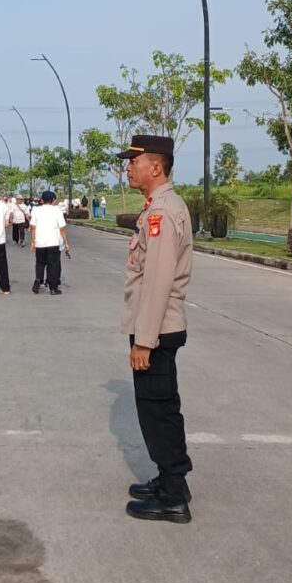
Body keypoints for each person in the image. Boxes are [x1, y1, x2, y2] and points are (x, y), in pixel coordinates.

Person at [117, 135, 194, 525]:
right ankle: (168, 480)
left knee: (158, 410)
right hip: (158, 326)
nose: (128, 168)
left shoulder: (163, 212)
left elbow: (158, 281)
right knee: (157, 405)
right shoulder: (158, 208)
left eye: (134, 162)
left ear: (156, 167)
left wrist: (144, 341)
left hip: (157, 330)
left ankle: (173, 496)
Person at [30, 190, 71, 295]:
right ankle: (53, 288)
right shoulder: (56, 210)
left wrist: (33, 242)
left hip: (40, 242)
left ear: (42, 200)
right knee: (53, 265)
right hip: (53, 242)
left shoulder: (36, 210)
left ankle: (39, 279)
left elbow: (33, 228)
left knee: (40, 263)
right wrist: (66, 243)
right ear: (53, 200)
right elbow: (62, 229)